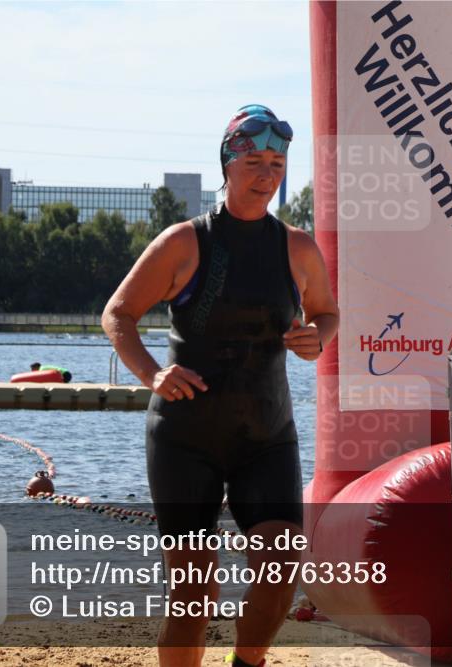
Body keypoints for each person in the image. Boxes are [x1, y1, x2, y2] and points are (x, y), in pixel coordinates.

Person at [102, 104, 339, 667]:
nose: (267, 174)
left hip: (266, 434)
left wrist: (318, 337)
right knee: (193, 593)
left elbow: (327, 313)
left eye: (277, 163)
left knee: (281, 570)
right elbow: (118, 314)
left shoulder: (297, 247)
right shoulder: (184, 242)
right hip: (186, 436)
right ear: (228, 164)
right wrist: (153, 374)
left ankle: (246, 663)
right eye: (254, 162)